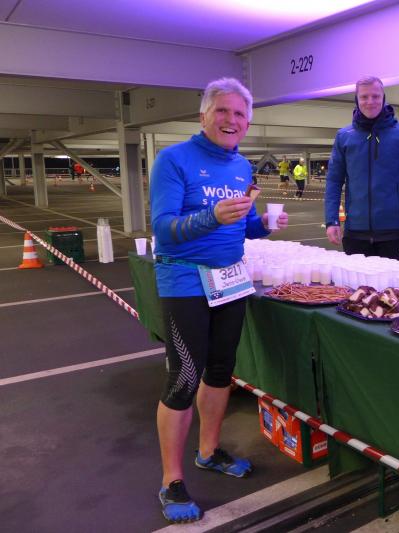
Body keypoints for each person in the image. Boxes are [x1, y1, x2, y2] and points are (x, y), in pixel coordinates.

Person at [149, 77, 289, 524]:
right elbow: (163, 227)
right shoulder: (174, 160)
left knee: (221, 372)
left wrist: (265, 226)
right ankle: (171, 480)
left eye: (240, 114)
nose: (232, 120)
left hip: (229, 280)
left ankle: (208, 452)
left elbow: (241, 227)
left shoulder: (242, 167)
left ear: (248, 122)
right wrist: (211, 216)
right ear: (204, 116)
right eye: (223, 111)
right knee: (184, 378)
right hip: (185, 279)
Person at [324, 76, 399, 261]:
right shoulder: (344, 136)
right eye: (364, 97)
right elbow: (334, 181)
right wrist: (332, 220)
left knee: (393, 281)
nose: (370, 102)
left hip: (395, 232)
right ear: (357, 100)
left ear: (383, 98)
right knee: (356, 281)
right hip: (355, 232)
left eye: (375, 96)